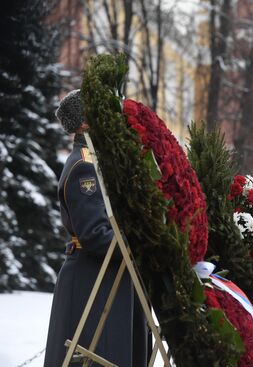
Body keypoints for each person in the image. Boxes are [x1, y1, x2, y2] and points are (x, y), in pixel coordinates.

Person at [44, 90, 148, 366]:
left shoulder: (100, 163)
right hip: (93, 282)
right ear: (85, 123)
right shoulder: (84, 167)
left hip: (109, 280)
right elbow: (96, 234)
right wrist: (145, 245)